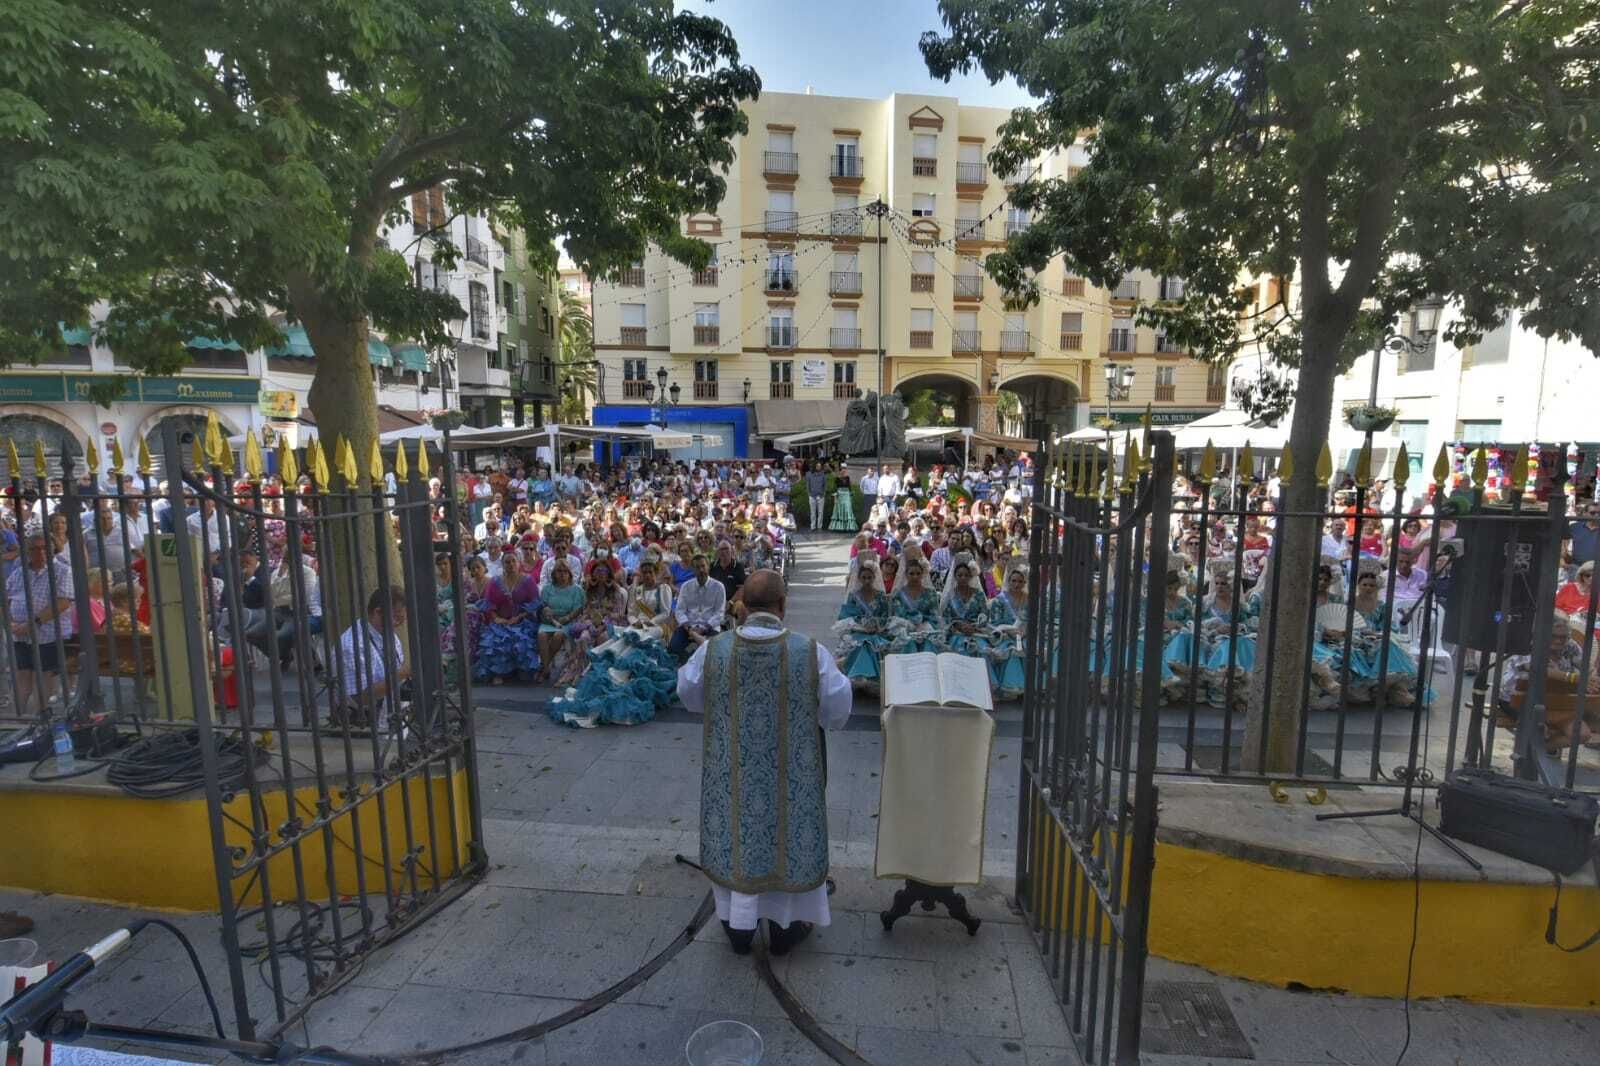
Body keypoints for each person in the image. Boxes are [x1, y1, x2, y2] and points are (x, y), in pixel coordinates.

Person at [677, 569, 852, 956]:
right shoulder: (810, 652)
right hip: (792, 778)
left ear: (742, 604)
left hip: (733, 777)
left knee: (738, 837)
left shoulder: (714, 649)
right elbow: (839, 710)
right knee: (786, 837)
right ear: (783, 605)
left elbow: (688, 694)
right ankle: (785, 929)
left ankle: (738, 926)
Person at [6, 533, 75, 716]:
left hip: (48, 633)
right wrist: (10, 623)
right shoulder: (19, 572)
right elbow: (5, 599)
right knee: (22, 674)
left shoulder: (62, 571)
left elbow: (63, 602)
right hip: (19, 634)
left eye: (44, 548)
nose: (40, 552)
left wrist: (32, 623)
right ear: (27, 552)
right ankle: (18, 719)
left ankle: (41, 719)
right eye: (35, 548)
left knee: (43, 676)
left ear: (53, 549)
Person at [336, 586, 409, 733]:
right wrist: (402, 674)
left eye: (402, 619)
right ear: (377, 612)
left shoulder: (386, 633)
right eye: (397, 618)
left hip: (392, 711)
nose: (399, 623)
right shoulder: (352, 645)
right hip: (364, 723)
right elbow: (360, 698)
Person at [476, 551, 541, 684]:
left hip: (523, 621)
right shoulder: (494, 581)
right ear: (502, 564)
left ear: (519, 563)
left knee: (521, 640)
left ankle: (520, 670)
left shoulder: (528, 580)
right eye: (507, 562)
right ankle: (499, 672)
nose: (510, 564)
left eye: (513, 561)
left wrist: (519, 617)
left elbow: (535, 603)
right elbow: (489, 605)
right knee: (497, 641)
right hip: (501, 621)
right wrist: (497, 618)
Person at [836, 555, 891, 689]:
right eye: (864, 577)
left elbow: (885, 616)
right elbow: (847, 615)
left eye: (869, 577)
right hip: (859, 631)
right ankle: (859, 675)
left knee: (871, 644)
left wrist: (877, 625)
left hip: (877, 632)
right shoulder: (854, 596)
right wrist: (861, 625)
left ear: (874, 578)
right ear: (859, 578)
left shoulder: (881, 596)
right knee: (862, 644)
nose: (867, 580)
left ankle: (870, 677)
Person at [536, 557, 586, 683]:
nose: (562, 574)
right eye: (559, 571)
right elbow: (543, 604)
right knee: (542, 635)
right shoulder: (547, 588)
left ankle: (544, 668)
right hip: (549, 620)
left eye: (565, 571)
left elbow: (578, 609)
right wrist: (546, 610)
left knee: (558, 635)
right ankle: (547, 668)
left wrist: (567, 618)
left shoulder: (577, 590)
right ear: (554, 573)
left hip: (568, 621)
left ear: (569, 573)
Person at [670, 553, 727, 660]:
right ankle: (689, 663)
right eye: (697, 567)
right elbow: (679, 611)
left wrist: (703, 628)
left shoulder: (718, 587)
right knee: (673, 648)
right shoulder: (686, 586)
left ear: (708, 567)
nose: (701, 570)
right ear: (692, 570)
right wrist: (689, 628)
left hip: (710, 627)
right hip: (688, 627)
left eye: (703, 566)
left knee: (714, 651)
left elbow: (720, 613)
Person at [626, 555, 675, 638]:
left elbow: (666, 613)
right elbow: (631, 613)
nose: (647, 575)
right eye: (644, 572)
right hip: (638, 625)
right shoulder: (637, 590)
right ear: (641, 574)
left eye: (650, 572)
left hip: (657, 626)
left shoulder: (663, 588)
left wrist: (651, 622)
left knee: (639, 638)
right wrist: (635, 622)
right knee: (626, 638)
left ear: (655, 573)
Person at [804, 463, 828, 532]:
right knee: (813, 512)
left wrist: (823, 494)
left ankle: (819, 527)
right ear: (814, 466)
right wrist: (809, 494)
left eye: (820, 466)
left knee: (821, 512)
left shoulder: (823, 474)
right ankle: (813, 527)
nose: (819, 467)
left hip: (821, 496)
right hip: (812, 496)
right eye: (818, 466)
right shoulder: (808, 474)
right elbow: (808, 485)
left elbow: (825, 485)